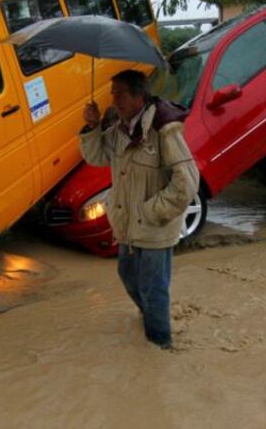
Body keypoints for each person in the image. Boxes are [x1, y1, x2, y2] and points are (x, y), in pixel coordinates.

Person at [79, 69, 200, 349]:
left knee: (153, 287)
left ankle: (160, 346)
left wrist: (151, 211)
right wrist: (92, 127)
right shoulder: (120, 130)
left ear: (139, 95)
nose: (115, 99)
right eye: (113, 93)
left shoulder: (163, 130)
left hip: (153, 225)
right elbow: (96, 156)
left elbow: (187, 181)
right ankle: (151, 319)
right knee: (128, 275)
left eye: (120, 92)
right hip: (128, 225)